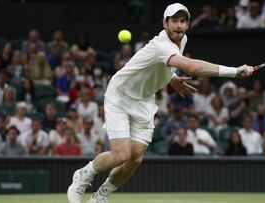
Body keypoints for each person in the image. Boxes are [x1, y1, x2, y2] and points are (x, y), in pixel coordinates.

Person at [67, 3, 254, 203]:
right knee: (121, 154)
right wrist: (234, 71)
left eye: (183, 21)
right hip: (120, 96)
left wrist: (171, 79)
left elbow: (160, 66)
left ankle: (100, 196)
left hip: (145, 100)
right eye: (174, 21)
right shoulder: (161, 44)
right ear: (165, 24)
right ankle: (84, 174)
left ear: (188, 25)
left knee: (136, 157)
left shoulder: (182, 40)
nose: (179, 26)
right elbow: (191, 66)